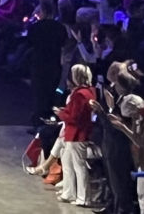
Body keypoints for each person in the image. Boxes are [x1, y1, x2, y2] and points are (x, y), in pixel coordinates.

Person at [54, 64, 96, 207]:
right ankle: (69, 193)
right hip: (74, 133)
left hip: (77, 134)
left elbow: (75, 118)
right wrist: (64, 112)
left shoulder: (80, 94)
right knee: (67, 163)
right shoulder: (88, 91)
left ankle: (83, 198)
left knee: (79, 166)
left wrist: (61, 114)